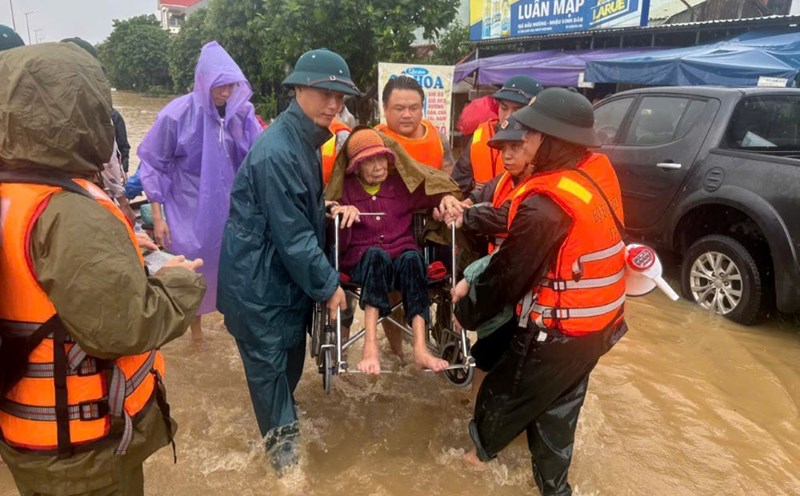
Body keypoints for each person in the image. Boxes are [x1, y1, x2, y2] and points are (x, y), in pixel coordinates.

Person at [0, 43, 206, 496]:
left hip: (30, 435)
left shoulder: (16, 192)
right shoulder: (68, 211)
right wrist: (180, 281)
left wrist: (128, 248)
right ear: (86, 109)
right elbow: (126, 326)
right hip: (84, 455)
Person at [451, 88, 628, 495]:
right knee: (556, 416)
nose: (523, 141)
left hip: (556, 335)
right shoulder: (593, 174)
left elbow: (507, 277)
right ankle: (554, 488)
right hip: (598, 329)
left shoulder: (546, 203)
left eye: (530, 134)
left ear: (550, 139)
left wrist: (466, 314)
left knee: (495, 409)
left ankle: (469, 472)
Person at [217, 48, 359, 475]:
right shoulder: (278, 150)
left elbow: (296, 212)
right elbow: (293, 235)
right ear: (298, 89)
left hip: (280, 284)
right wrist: (330, 286)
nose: (333, 104)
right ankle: (288, 475)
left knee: (286, 374)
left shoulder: (306, 140)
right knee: (274, 382)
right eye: (322, 93)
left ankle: (282, 444)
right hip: (259, 290)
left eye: (340, 96)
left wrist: (325, 207)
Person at [138, 40, 262, 342]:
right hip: (188, 208)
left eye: (231, 85)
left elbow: (259, 157)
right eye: (219, 86)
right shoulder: (176, 115)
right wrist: (159, 216)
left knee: (236, 265)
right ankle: (196, 334)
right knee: (194, 268)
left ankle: (232, 324)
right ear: (204, 81)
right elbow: (154, 163)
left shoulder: (242, 114)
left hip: (232, 205)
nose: (226, 92)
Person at [332, 128, 458, 374]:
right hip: (362, 261)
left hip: (401, 257)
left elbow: (433, 192)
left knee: (413, 257)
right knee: (376, 255)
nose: (378, 166)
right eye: (369, 161)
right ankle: (370, 346)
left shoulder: (399, 185)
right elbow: (340, 244)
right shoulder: (345, 191)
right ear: (355, 167)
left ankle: (420, 349)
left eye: (381, 158)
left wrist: (445, 199)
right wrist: (342, 215)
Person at [437, 115, 537, 404]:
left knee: (509, 351)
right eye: (503, 148)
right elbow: (476, 196)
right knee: (488, 349)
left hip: (525, 283)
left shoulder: (540, 186)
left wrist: (466, 215)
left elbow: (508, 218)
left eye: (515, 147)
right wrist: (452, 204)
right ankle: (475, 411)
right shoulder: (503, 180)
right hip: (500, 275)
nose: (506, 155)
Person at [452, 76, 542, 197]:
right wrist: (451, 203)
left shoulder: (542, 143)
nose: (508, 116)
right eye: (504, 108)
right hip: (478, 210)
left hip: (519, 210)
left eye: (518, 109)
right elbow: (460, 179)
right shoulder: (481, 134)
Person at [375, 75, 454, 174]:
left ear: (422, 108)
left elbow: (449, 182)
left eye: (413, 108)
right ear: (385, 108)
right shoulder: (375, 140)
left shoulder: (437, 139)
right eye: (399, 108)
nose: (407, 115)